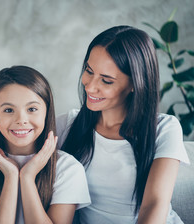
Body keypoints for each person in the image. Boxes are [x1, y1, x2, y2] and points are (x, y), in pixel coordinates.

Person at [57, 25, 190, 224]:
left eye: (106, 81)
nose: (90, 86)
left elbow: (154, 204)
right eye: (89, 71)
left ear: (135, 84)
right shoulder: (69, 124)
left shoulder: (164, 129)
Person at [0, 65, 91, 223]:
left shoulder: (68, 168)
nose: (21, 120)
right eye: (8, 110)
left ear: (47, 112)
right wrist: (11, 176)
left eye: (32, 109)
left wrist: (27, 177)